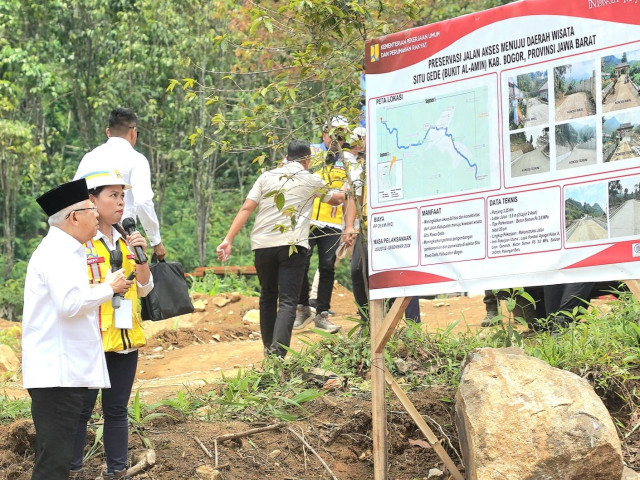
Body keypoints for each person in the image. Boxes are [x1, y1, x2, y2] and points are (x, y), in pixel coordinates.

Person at [21, 179, 129, 480]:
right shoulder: (58, 252)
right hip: (58, 374)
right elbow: (69, 304)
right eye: (91, 209)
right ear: (74, 216)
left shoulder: (70, 250)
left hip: (66, 372)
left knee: (58, 457)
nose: (97, 216)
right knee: (54, 462)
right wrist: (108, 288)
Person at [216, 140, 345, 357]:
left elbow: (247, 206)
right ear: (307, 160)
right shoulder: (311, 179)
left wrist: (228, 239)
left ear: (286, 157)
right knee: (287, 300)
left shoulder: (267, 176)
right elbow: (336, 200)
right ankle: (277, 355)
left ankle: (268, 349)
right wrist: (345, 190)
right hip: (291, 245)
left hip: (262, 245)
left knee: (267, 295)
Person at [69, 171, 154, 480]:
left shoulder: (128, 240)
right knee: (82, 410)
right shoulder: (81, 243)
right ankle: (73, 469)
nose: (120, 203)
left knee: (117, 409)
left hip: (124, 338)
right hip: (91, 338)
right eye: (113, 196)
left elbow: (145, 287)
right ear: (92, 200)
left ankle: (116, 470)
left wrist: (141, 258)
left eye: (122, 196)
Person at [341, 127, 421, 324]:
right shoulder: (362, 168)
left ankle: (410, 324)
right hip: (369, 227)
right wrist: (349, 225)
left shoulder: (403, 159)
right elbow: (355, 198)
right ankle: (368, 321)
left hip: (398, 226)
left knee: (402, 273)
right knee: (358, 270)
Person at [74, 107, 166, 260]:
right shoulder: (136, 159)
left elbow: (74, 195)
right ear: (133, 132)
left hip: (87, 234)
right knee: (126, 279)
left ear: (108, 132)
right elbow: (143, 202)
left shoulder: (89, 157)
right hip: (121, 235)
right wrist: (156, 241)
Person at [294, 116, 350, 333]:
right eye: (334, 134)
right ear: (324, 133)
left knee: (327, 267)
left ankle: (322, 314)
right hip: (307, 220)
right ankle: (302, 308)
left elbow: (350, 196)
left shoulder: (348, 160)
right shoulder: (310, 153)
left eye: (342, 136)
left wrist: (349, 225)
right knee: (301, 261)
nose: (337, 140)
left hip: (333, 223)